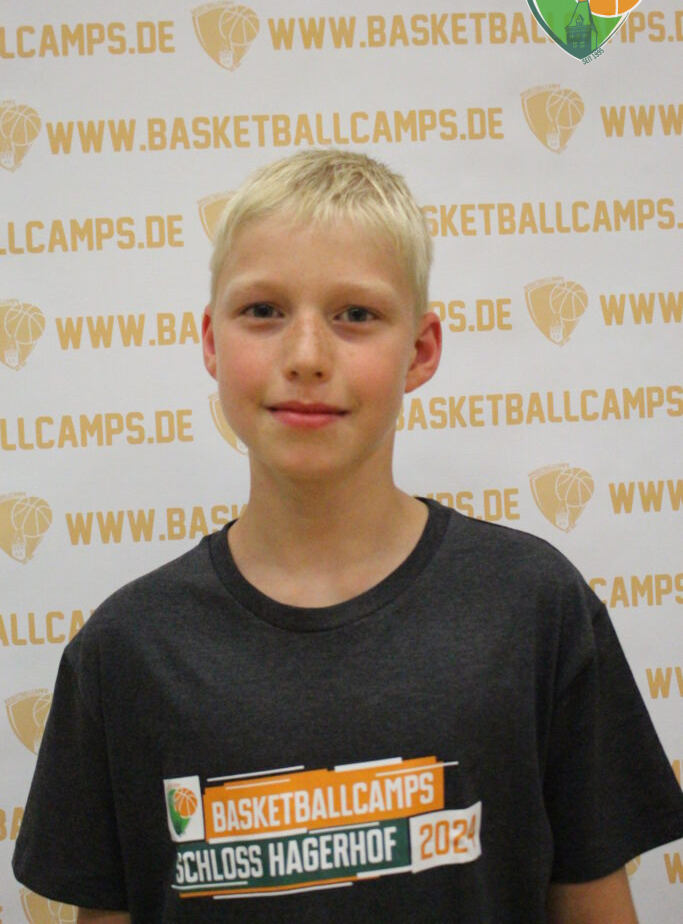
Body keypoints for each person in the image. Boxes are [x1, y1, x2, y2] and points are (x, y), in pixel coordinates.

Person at [13, 150, 683, 923]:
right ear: (210, 342)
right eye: (262, 310)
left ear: (420, 351)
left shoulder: (533, 609)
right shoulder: (126, 652)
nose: (305, 357)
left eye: (355, 315)